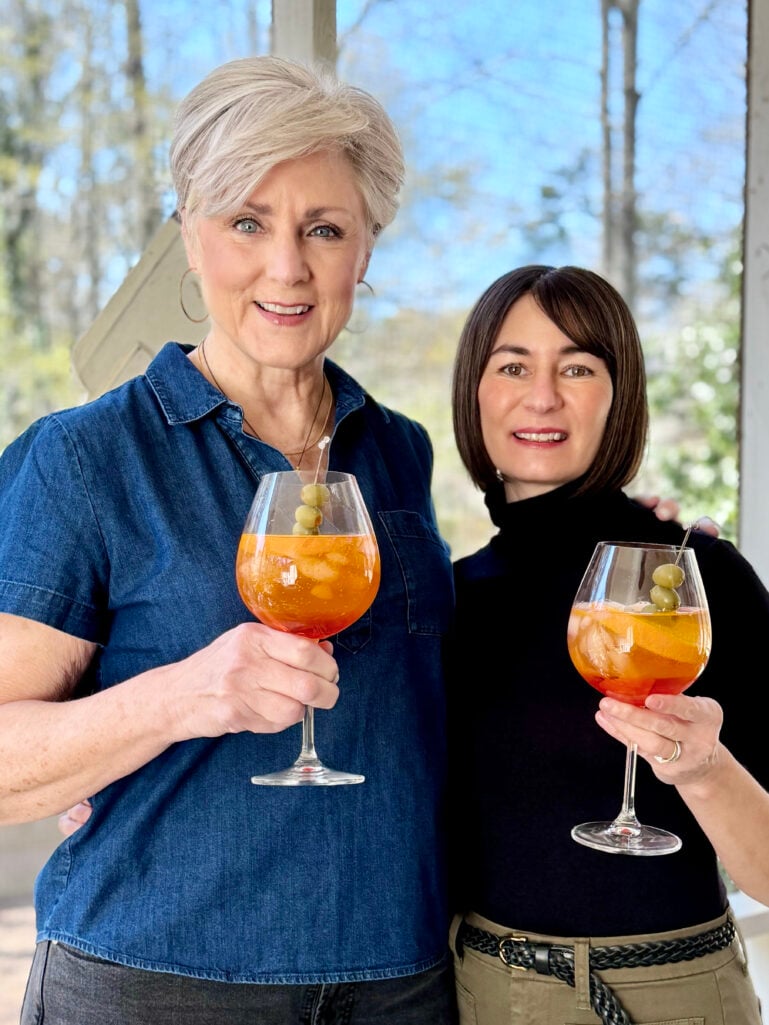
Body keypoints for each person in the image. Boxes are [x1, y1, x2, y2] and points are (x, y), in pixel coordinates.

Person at [0, 55, 459, 1024]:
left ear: (365, 248)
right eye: (246, 221)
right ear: (190, 238)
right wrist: (176, 696)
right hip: (156, 977)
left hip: (401, 978)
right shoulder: (86, 458)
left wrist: (636, 535)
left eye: (323, 228)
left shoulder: (401, 454)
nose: (285, 266)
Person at [446, 263, 769, 1025]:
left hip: (671, 993)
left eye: (578, 366)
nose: (542, 394)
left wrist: (703, 768)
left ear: (617, 396)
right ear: (476, 391)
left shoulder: (695, 578)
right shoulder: (446, 596)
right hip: (476, 990)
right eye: (512, 364)